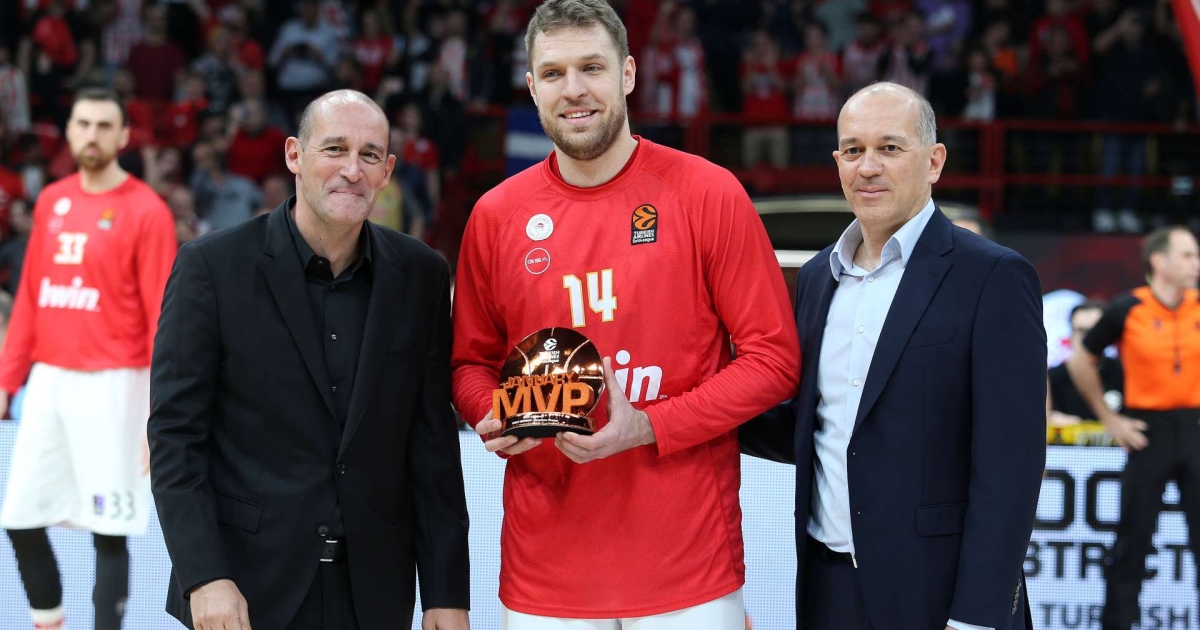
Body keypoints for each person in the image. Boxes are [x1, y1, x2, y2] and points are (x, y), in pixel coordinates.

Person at [450, 1, 801, 628]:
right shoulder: (496, 215)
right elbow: (470, 364)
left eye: (592, 67)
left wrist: (647, 426)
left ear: (629, 74)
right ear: (531, 86)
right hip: (545, 571)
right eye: (553, 73)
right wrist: (493, 414)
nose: (573, 89)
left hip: (687, 568)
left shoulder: (707, 192)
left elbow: (774, 361)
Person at [148, 89, 470, 630]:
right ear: (295, 155)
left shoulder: (422, 275)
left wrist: (446, 592)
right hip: (243, 592)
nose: (352, 170)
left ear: (388, 171)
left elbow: (433, 447)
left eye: (369, 155)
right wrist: (203, 575)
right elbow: (176, 437)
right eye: (335, 149)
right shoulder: (212, 267)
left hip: (374, 595)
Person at [740, 82, 1046, 630]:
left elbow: (1012, 467)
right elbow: (817, 428)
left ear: (934, 161)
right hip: (827, 588)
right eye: (853, 150)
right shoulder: (817, 277)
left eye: (889, 147)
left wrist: (977, 616)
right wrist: (698, 408)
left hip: (939, 596)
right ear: (837, 163)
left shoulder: (994, 275)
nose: (868, 166)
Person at [0, 89, 178, 630]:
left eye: (104, 125)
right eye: (83, 123)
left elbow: (163, 320)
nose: (92, 134)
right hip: (49, 380)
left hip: (117, 385)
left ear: (123, 136)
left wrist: (160, 409)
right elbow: (30, 299)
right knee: (19, 518)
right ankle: (48, 621)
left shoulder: (147, 211)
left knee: (110, 531)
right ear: (70, 132)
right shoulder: (52, 200)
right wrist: (6, 381)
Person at [1066, 226, 1200, 630]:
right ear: (1159, 261)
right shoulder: (1128, 308)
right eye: (1188, 255)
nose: (1196, 264)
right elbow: (1080, 360)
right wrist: (1109, 418)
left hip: (1195, 427)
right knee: (1132, 542)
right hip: (1147, 431)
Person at [1048, 301, 1123, 423]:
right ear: (1071, 335)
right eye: (1080, 331)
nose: (1087, 338)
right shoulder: (1053, 378)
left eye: (1094, 331)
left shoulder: (1125, 373)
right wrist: (1051, 418)